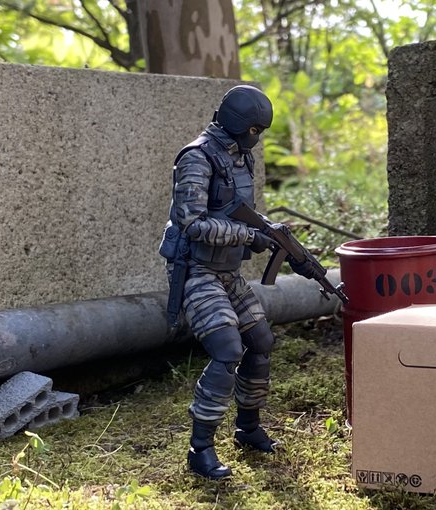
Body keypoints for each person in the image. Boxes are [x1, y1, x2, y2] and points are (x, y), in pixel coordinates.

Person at [160, 85, 290, 479]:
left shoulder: (239, 156)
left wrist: (269, 230)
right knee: (228, 349)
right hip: (196, 271)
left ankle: (247, 428)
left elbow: (238, 210)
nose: (257, 138)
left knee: (261, 341)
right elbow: (192, 223)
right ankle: (200, 448)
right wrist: (249, 236)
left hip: (228, 272)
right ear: (240, 124)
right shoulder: (196, 157)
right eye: (255, 130)